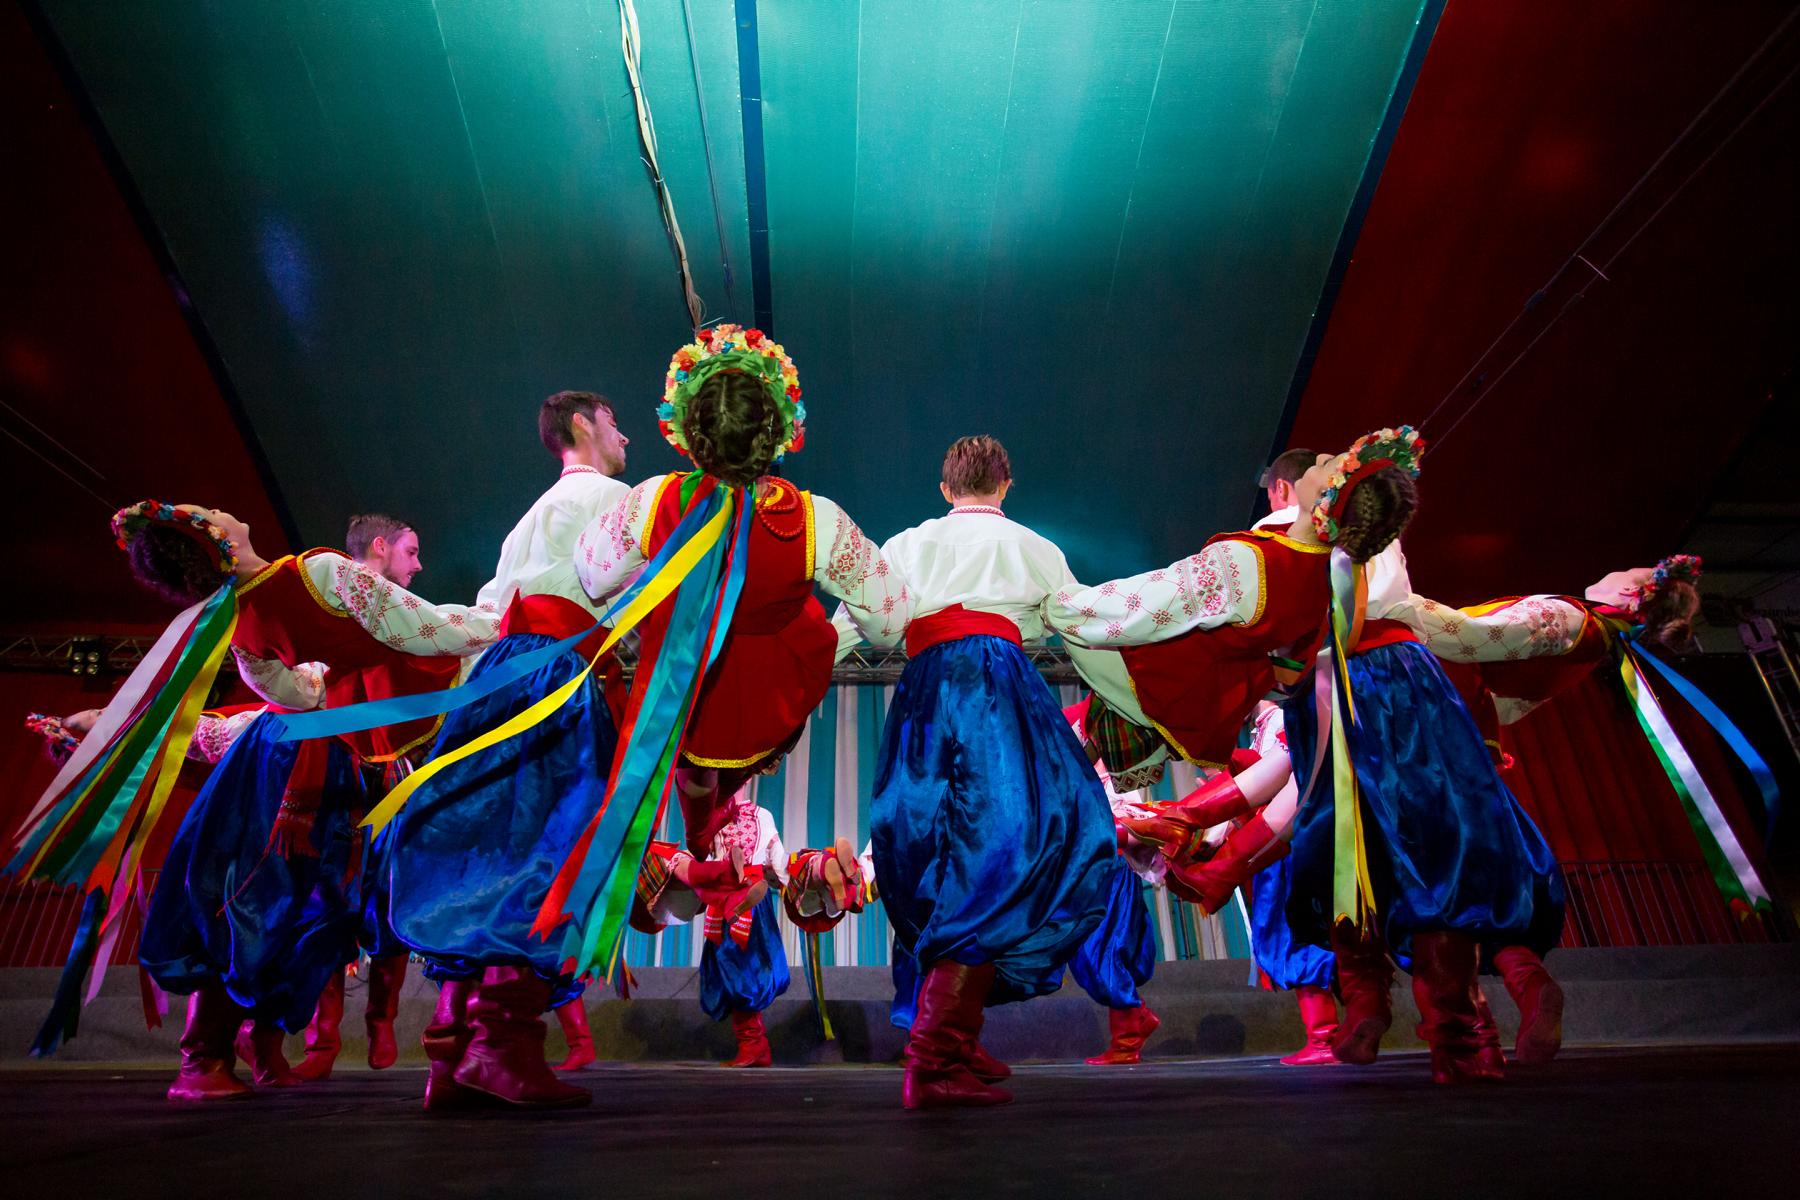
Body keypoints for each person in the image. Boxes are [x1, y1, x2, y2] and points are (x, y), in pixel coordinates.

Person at [96, 502, 497, 1102]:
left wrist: (332, 677)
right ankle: (203, 1060)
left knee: (266, 900)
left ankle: (251, 1050)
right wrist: (504, 620)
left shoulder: (238, 618)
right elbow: (425, 630)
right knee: (266, 900)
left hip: (272, 756)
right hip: (307, 762)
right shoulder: (319, 572)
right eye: (211, 513)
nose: (221, 508)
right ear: (220, 540)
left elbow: (289, 690)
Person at [379, 390, 638, 1110]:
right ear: (583, 426)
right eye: (617, 423)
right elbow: (626, 582)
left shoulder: (530, 516)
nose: (628, 437)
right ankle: (504, 1048)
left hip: (497, 678)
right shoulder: (612, 498)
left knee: (484, 852)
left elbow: (492, 609)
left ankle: (452, 1053)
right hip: (551, 678)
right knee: (545, 851)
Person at [846, 435, 1118, 1110]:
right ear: (1006, 484)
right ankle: (935, 1056)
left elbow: (866, 627)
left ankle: (955, 1037)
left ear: (945, 489)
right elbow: (1082, 625)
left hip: (926, 693)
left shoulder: (908, 544)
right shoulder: (1035, 546)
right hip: (996, 688)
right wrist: (1144, 696)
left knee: (937, 852)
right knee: (1010, 850)